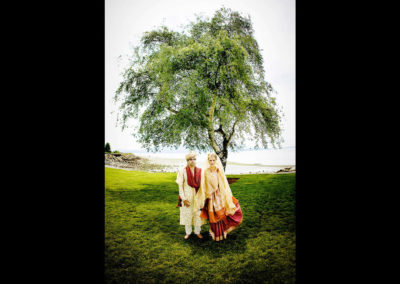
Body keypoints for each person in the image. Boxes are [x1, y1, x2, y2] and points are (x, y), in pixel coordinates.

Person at [193, 153, 243, 241]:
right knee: (214, 215)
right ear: (208, 160)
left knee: (229, 212)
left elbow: (223, 183)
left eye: (213, 160)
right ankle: (214, 232)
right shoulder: (205, 171)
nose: (212, 162)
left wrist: (224, 194)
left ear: (216, 160)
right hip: (210, 196)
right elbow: (203, 184)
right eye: (210, 160)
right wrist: (207, 194)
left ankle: (225, 231)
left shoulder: (218, 170)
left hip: (219, 195)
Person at [176, 151, 205, 239]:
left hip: (197, 196)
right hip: (187, 196)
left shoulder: (200, 171)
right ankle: (188, 232)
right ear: (187, 161)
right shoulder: (182, 171)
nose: (192, 161)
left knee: (197, 214)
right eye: (190, 159)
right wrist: (183, 198)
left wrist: (202, 198)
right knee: (187, 214)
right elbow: (180, 186)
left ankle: (197, 232)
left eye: (194, 159)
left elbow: (203, 185)